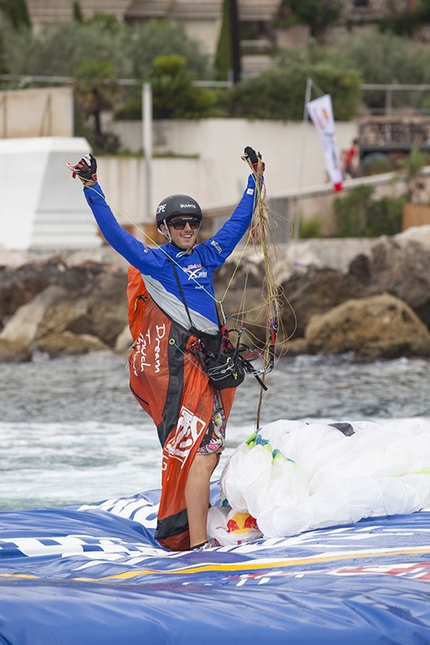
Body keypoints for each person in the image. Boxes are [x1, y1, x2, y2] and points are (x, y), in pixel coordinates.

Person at [67, 149, 264, 551]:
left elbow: (237, 224)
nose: (188, 228)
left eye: (193, 222)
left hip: (212, 366)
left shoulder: (209, 255)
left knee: (203, 454)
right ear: (165, 228)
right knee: (202, 455)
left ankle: (195, 538)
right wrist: (92, 188)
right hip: (185, 370)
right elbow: (116, 235)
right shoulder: (155, 262)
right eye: (179, 223)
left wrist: (254, 181)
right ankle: (195, 543)